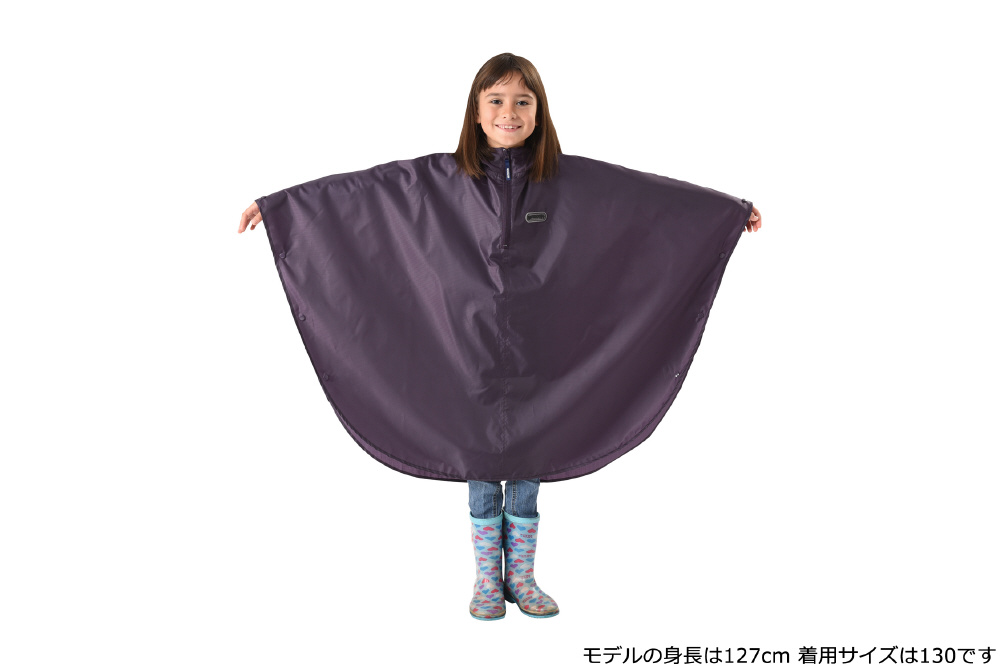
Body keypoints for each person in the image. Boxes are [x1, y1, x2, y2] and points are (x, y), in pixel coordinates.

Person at [238, 53, 762, 622]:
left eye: (521, 101)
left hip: (543, 353)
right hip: (463, 350)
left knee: (532, 455)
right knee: (479, 458)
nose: (508, 112)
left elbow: (646, 198)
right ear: (476, 110)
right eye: (496, 100)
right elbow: (363, 194)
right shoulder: (436, 180)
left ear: (539, 112)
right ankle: (488, 580)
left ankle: (524, 578)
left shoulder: (571, 181)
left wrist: (726, 213)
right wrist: (281, 209)